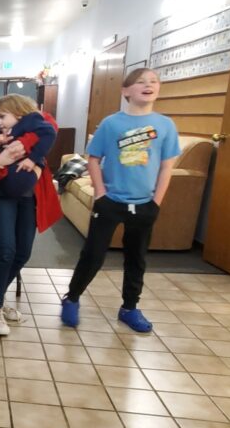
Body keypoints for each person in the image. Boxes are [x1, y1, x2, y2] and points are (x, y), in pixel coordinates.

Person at [61, 68, 180, 333]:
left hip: (145, 204)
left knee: (136, 258)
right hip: (111, 201)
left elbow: (166, 167)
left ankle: (129, 307)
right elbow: (93, 158)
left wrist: (156, 202)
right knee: (93, 254)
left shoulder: (165, 125)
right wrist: (101, 192)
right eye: (140, 82)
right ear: (126, 91)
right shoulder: (111, 124)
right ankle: (72, 298)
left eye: (153, 82)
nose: (148, 85)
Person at [0, 94, 62, 336]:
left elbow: (48, 129)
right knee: (6, 249)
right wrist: (0, 156)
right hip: (1, 197)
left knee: (23, 252)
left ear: (18, 113)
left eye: (3, 117)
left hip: (29, 198)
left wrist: (36, 160)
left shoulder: (35, 131)